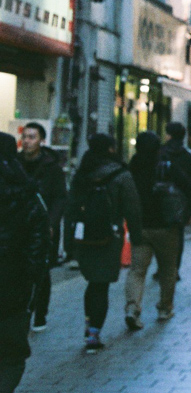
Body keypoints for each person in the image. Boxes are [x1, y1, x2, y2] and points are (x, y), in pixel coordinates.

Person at [67, 133, 143, 353]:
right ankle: (93, 333)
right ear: (111, 149)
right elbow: (132, 209)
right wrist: (136, 237)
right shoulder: (121, 174)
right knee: (101, 285)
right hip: (109, 237)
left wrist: (68, 242)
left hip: (84, 236)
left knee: (92, 282)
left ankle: (89, 327)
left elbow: (71, 208)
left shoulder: (82, 173)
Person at [0, 132, 48, 393]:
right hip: (14, 289)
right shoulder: (28, 195)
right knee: (11, 358)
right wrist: (32, 287)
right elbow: (39, 250)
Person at [123, 132, 180, 330]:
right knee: (168, 269)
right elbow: (187, 185)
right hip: (166, 226)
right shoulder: (166, 165)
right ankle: (164, 308)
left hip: (140, 226)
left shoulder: (133, 167)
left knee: (137, 271)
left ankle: (132, 308)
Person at [18, 122, 67, 332]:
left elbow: (60, 198)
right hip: (19, 225)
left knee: (42, 271)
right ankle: (21, 310)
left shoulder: (52, 167)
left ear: (42, 141)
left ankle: (40, 314)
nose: (27, 141)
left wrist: (51, 223)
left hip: (43, 226)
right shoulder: (14, 163)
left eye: (32, 137)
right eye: (25, 137)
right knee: (18, 269)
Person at [160, 122, 191, 279]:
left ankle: (162, 268)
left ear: (169, 135)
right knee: (178, 236)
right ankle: (175, 268)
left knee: (161, 235)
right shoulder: (189, 155)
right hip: (182, 202)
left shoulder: (161, 152)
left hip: (161, 200)